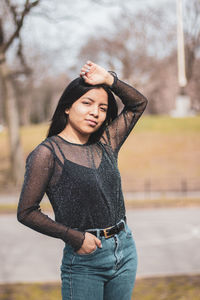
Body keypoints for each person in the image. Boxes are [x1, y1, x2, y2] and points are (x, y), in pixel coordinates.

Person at [17, 60, 148, 300]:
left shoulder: (106, 144)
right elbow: (26, 212)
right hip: (85, 259)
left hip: (125, 249)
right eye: (87, 103)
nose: (95, 112)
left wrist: (109, 80)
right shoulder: (47, 154)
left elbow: (138, 104)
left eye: (102, 108)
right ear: (67, 107)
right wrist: (74, 237)